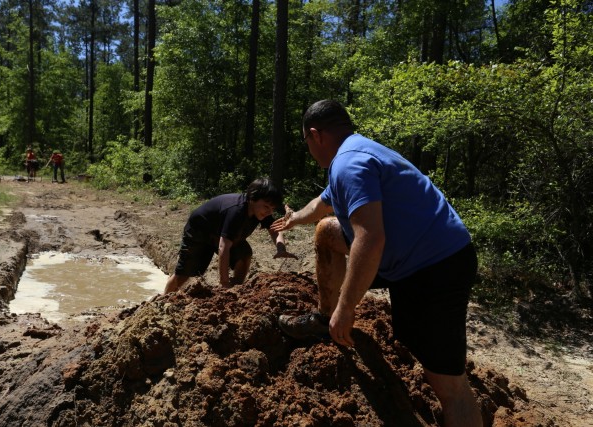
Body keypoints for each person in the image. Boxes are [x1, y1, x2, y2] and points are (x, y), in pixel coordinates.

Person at [271, 100, 482, 427]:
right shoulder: (355, 152)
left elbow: (370, 240)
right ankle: (324, 318)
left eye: (306, 142)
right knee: (327, 232)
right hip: (411, 256)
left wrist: (347, 306)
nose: (309, 149)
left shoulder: (349, 163)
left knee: (447, 382)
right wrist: (294, 219)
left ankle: (335, 315)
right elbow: (323, 204)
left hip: (435, 267)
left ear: (315, 135)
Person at [162, 178, 297, 294]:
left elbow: (274, 229)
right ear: (252, 199)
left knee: (244, 254)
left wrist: (281, 248)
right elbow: (223, 247)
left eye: (272, 209)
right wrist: (224, 282)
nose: (269, 212)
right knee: (184, 275)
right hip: (199, 232)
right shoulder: (236, 211)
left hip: (220, 234)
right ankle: (162, 302)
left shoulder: (260, 211)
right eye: (267, 207)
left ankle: (236, 288)